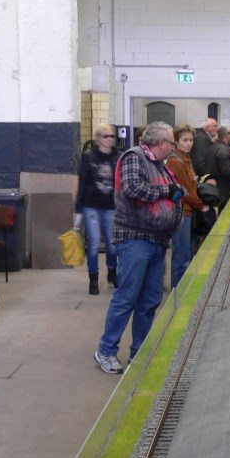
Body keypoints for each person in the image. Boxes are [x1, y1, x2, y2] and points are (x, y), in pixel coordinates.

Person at [94, 122, 184, 374]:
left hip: (156, 239)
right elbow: (133, 188)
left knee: (150, 300)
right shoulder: (134, 157)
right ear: (161, 143)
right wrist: (167, 191)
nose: (174, 148)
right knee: (127, 297)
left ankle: (139, 353)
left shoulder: (160, 165)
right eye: (172, 143)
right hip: (135, 238)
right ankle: (106, 350)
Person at [74, 123, 121, 295]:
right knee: (94, 244)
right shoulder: (88, 157)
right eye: (105, 136)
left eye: (112, 136)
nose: (109, 139)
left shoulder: (118, 157)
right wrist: (78, 206)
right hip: (91, 205)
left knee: (112, 244)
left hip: (110, 206)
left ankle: (112, 271)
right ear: (98, 138)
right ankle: (93, 278)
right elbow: (83, 181)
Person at [166, 124, 209, 288]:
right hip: (182, 212)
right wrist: (201, 204)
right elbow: (185, 190)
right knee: (181, 256)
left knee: (188, 254)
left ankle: (183, 289)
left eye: (191, 140)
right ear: (176, 141)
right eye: (185, 140)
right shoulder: (176, 161)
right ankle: (177, 293)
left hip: (189, 211)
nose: (189, 143)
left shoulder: (186, 159)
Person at [204, 124, 230, 209]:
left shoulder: (213, 147)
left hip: (214, 188)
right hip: (224, 190)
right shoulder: (223, 150)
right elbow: (226, 171)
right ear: (226, 134)